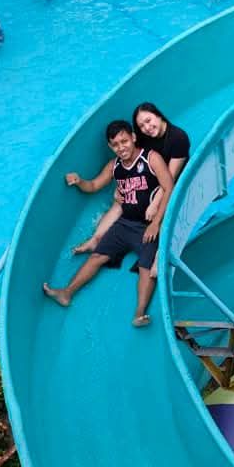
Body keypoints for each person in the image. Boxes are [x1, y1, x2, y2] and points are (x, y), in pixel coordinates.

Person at [43, 120, 173, 327]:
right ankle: (66, 293)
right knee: (96, 256)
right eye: (115, 144)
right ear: (110, 147)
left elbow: (169, 187)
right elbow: (94, 185)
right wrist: (79, 181)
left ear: (133, 137)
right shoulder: (115, 166)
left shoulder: (151, 158)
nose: (121, 147)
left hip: (148, 225)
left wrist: (156, 223)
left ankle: (139, 313)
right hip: (125, 224)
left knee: (146, 267)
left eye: (124, 141)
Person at [74, 102, 189, 268]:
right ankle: (96, 239)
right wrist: (122, 188)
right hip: (153, 178)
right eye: (142, 126)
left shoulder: (178, 138)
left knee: (163, 207)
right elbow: (133, 162)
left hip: (173, 182)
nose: (147, 128)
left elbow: (169, 180)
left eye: (149, 121)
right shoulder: (146, 137)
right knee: (121, 200)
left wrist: (154, 204)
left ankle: (160, 254)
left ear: (159, 115)